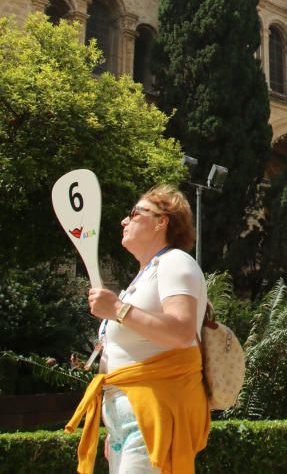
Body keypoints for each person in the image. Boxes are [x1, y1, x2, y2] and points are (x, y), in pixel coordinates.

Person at [65, 185, 211, 474]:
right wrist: (115, 428)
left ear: (162, 221)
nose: (124, 221)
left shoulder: (175, 262)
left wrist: (119, 310)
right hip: (131, 418)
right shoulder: (145, 275)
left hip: (153, 412)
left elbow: (181, 331)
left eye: (134, 213)